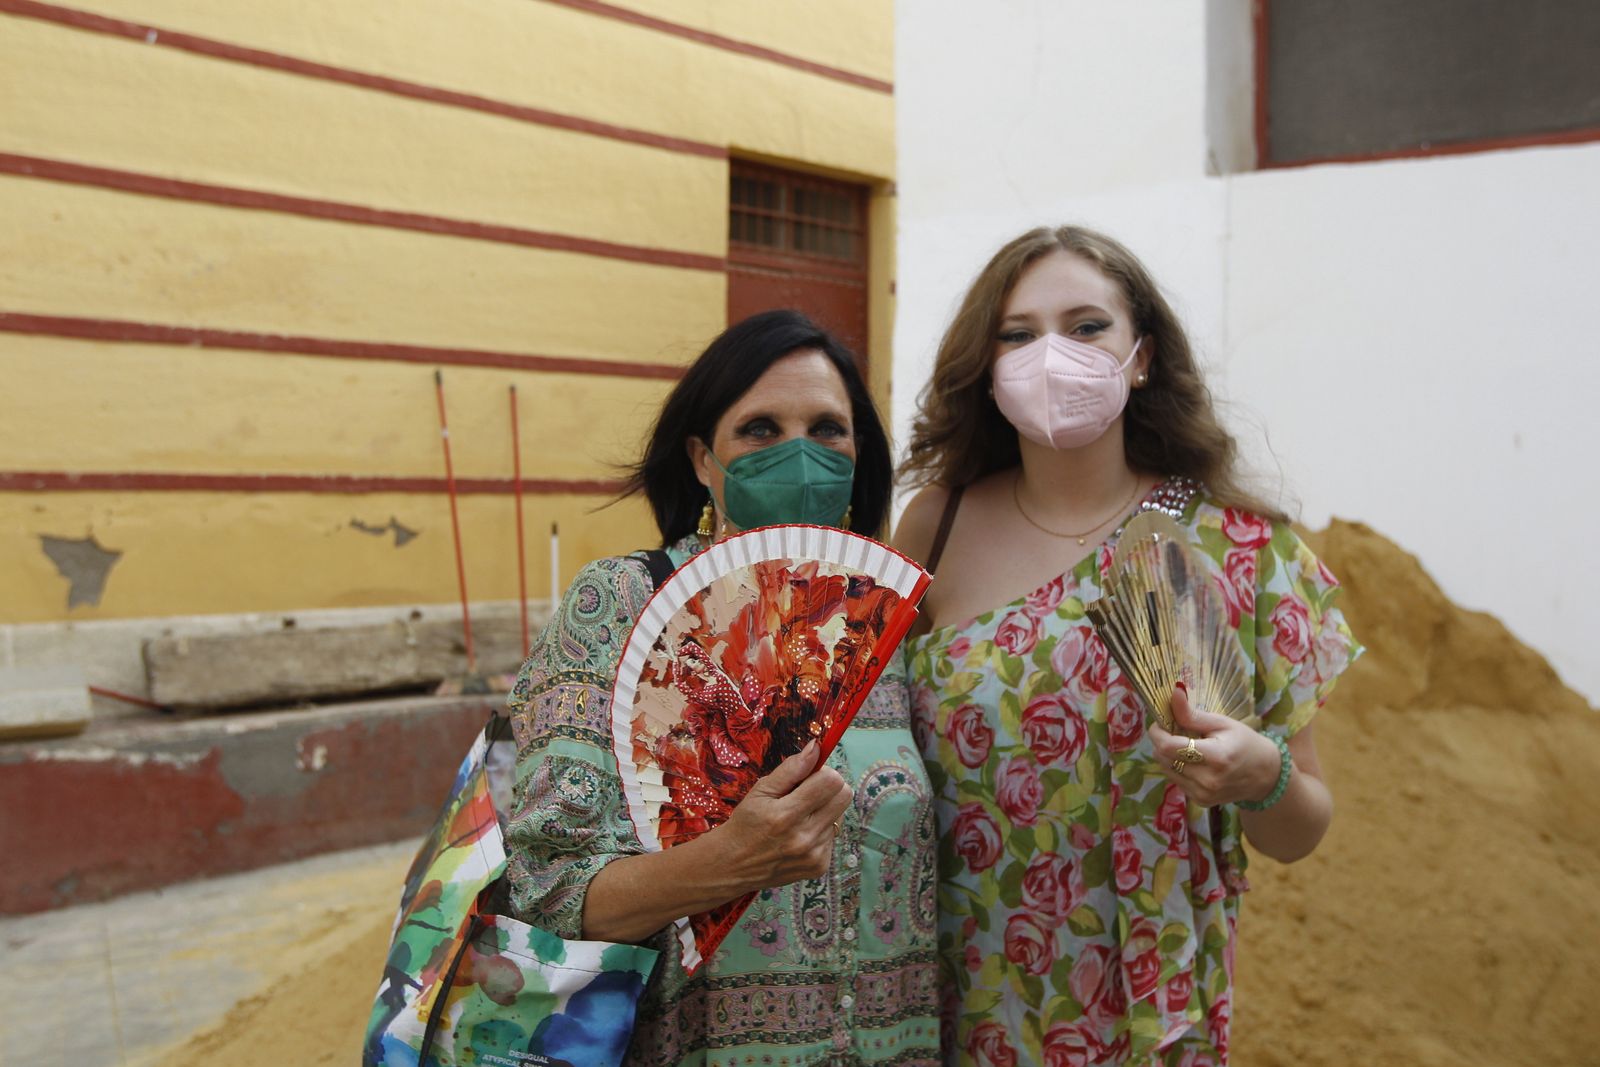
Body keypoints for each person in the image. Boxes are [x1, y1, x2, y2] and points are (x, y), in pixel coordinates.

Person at [892, 226, 1361, 1065]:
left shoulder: (1234, 547)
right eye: (1018, 333)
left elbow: (1299, 829)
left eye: (1085, 326)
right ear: (989, 366)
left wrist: (1265, 776)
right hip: (952, 1007)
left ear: (1140, 356)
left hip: (1146, 1023)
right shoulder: (937, 526)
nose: (1051, 355)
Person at [504, 310, 940, 1067]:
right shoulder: (616, 603)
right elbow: (547, 888)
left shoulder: (884, 632)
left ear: (858, 452)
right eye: (762, 429)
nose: (800, 454)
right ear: (704, 458)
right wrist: (732, 860)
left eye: (828, 429)